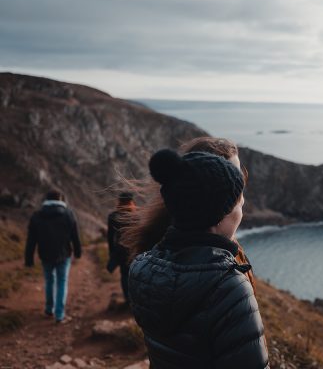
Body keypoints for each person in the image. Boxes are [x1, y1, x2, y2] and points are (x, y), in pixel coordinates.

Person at [128, 149, 269, 368]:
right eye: (239, 203)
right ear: (221, 214)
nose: (242, 210)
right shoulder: (229, 287)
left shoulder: (142, 267)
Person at [121, 137, 256, 291]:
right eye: (230, 185)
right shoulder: (216, 276)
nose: (241, 200)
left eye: (239, 183)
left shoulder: (154, 258)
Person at [25, 190, 81, 323]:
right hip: (64, 254)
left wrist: (29, 259)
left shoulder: (37, 215)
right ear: (61, 200)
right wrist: (78, 252)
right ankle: (59, 315)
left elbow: (31, 240)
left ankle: (49, 309)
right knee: (62, 282)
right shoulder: (68, 214)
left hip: (45, 254)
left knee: (49, 281)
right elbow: (75, 236)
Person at [106, 192, 136, 304]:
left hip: (121, 250)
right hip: (135, 249)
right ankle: (135, 300)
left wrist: (111, 253)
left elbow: (110, 237)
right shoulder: (136, 215)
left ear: (119, 202)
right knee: (135, 274)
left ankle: (128, 300)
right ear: (131, 201)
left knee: (124, 275)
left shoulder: (113, 216)